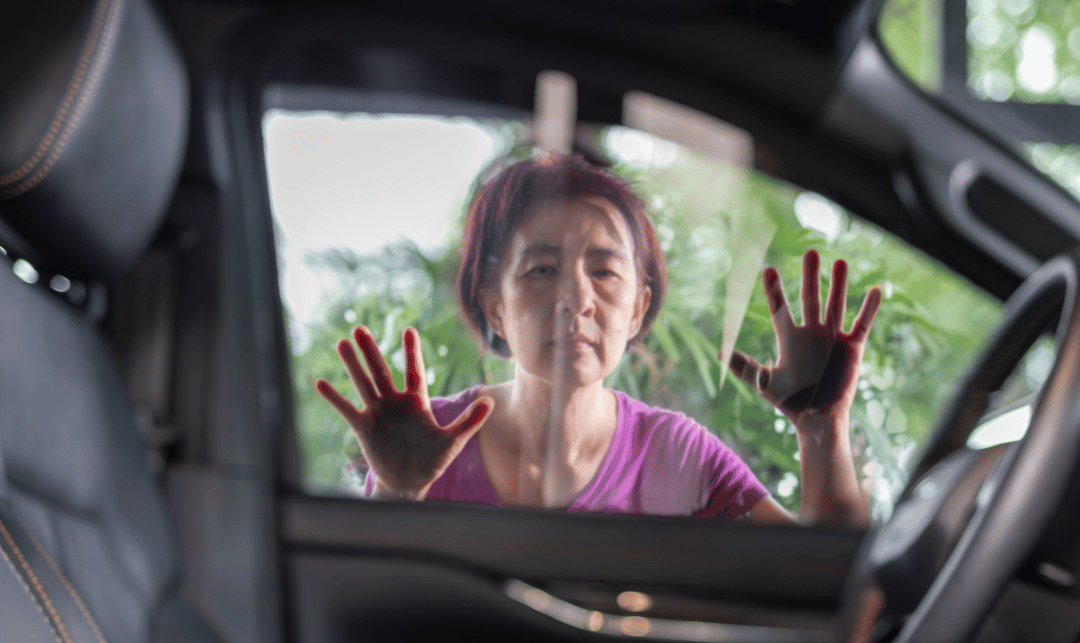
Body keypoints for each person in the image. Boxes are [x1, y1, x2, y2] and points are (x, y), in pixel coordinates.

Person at [316, 154, 881, 526]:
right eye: (541, 270)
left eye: (605, 271)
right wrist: (397, 496)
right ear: (495, 305)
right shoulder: (425, 446)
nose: (576, 299)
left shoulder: (677, 455)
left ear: (637, 308)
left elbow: (818, 579)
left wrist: (821, 428)